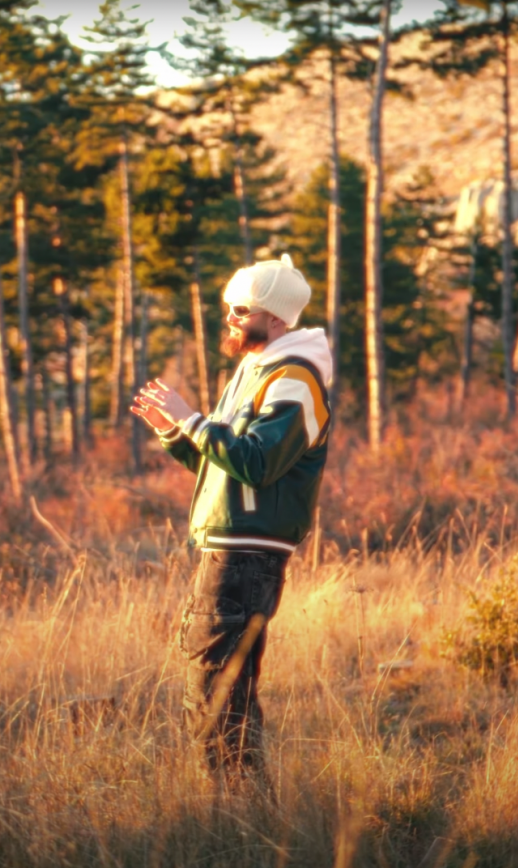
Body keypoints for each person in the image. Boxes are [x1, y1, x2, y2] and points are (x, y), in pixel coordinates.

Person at [130, 253, 332, 782]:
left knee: (213, 687)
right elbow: (221, 465)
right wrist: (176, 431)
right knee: (223, 685)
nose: (231, 319)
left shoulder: (295, 378)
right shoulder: (256, 371)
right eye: (228, 309)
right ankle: (245, 811)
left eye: (240, 310)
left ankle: (235, 814)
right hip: (233, 548)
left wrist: (193, 417)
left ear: (277, 317)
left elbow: (258, 463)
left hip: (247, 554)